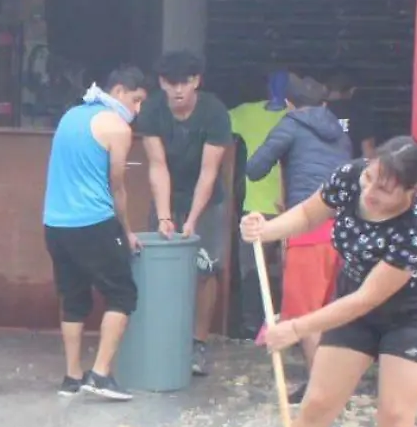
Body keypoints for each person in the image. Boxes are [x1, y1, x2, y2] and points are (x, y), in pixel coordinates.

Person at [241, 138, 417, 427]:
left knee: (394, 415)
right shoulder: (351, 176)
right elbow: (305, 215)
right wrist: (266, 231)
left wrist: (298, 327)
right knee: (317, 403)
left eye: (384, 191)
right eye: (370, 179)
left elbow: (367, 299)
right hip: (355, 304)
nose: (369, 194)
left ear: (411, 192)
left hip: (412, 316)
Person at [42, 66, 150, 402]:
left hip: (55, 225)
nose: (138, 110)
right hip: (94, 223)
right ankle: (101, 374)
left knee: (73, 298)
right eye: (136, 100)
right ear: (118, 91)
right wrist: (127, 230)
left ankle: (72, 377)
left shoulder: (70, 116)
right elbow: (116, 186)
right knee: (122, 294)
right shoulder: (117, 128)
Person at [247, 74, 355, 403]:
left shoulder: (290, 124)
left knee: (306, 318)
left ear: (290, 103)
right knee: (328, 312)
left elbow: (254, 168)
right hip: (342, 231)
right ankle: (329, 385)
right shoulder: (340, 132)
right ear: (323, 103)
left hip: (308, 231)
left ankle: (321, 391)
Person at [139, 50, 237, 377]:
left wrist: (192, 221)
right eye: (171, 83)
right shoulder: (152, 109)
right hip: (167, 194)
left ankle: (198, 342)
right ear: (161, 83)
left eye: (186, 82)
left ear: (197, 81)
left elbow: (210, 173)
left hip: (206, 200)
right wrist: (166, 217)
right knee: (158, 265)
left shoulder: (215, 112)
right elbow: (157, 165)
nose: (179, 90)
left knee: (205, 268)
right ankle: (164, 339)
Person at [228, 70, 292, 340]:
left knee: (255, 273)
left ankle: (253, 328)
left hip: (268, 208)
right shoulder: (299, 116)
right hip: (289, 208)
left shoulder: (247, 113)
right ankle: (272, 328)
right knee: (287, 273)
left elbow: (217, 124)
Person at [323, 70, 378, 160]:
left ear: (325, 88)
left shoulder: (314, 113)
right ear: (352, 90)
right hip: (349, 169)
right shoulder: (361, 113)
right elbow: (368, 151)